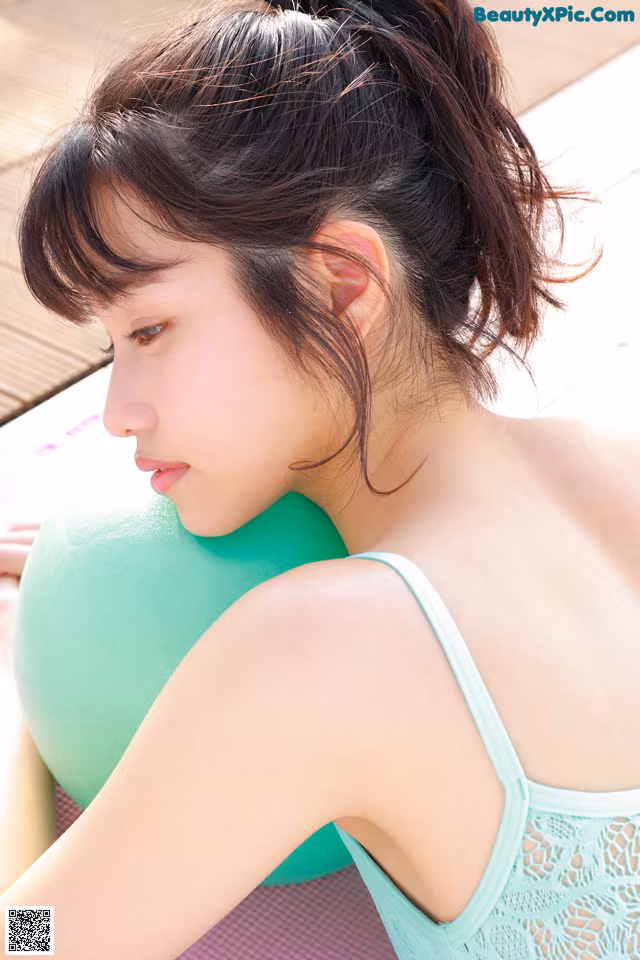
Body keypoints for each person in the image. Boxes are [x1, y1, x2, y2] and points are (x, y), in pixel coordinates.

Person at [1, 0, 639, 956]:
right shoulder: (617, 459)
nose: (118, 409)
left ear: (342, 284)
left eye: (149, 330)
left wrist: (27, 683)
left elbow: (37, 937)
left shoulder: (320, 647)